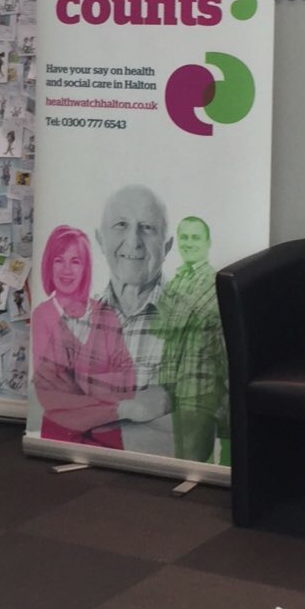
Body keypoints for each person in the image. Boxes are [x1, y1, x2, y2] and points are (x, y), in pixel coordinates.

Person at [31, 225, 137, 448]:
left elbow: (128, 381)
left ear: (85, 268)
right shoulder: (42, 316)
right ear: (49, 265)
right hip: (61, 434)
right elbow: (49, 394)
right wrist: (103, 389)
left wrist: (77, 378)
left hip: (108, 435)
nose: (66, 270)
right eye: (59, 260)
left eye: (75, 261)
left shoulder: (106, 315)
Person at [93, 185, 174, 454]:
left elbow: (204, 421)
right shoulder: (74, 319)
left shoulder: (196, 320)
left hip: (153, 474)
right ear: (100, 240)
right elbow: (45, 404)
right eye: (121, 225)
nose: (133, 242)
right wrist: (126, 407)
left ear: (167, 246)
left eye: (147, 228)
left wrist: (83, 407)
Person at [157, 215, 228, 463]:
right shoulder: (179, 279)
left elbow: (175, 319)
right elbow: (162, 325)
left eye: (195, 237)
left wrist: (168, 301)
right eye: (184, 237)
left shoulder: (212, 281)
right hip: (177, 385)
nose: (189, 243)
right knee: (183, 457)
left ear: (208, 242)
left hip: (200, 388)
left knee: (192, 460)